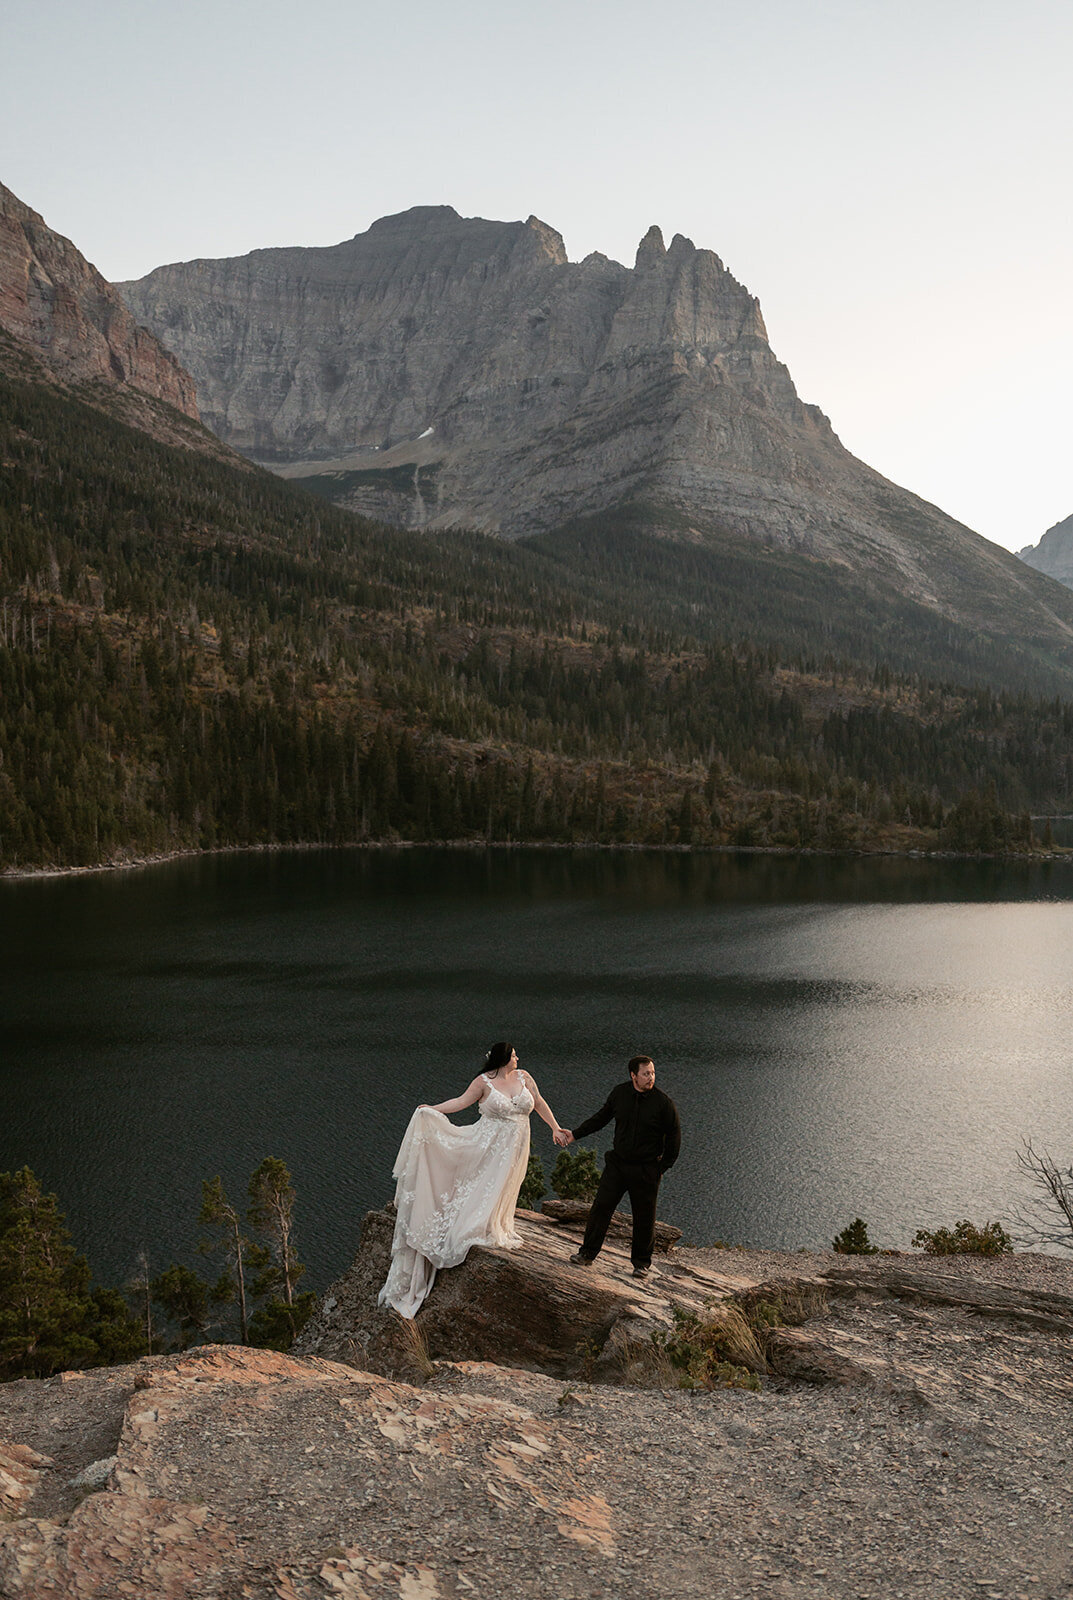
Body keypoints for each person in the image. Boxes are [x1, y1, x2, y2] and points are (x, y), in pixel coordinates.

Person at [379, 1042, 564, 1318]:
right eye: (513, 1055)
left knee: (505, 1188)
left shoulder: (524, 1077)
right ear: (503, 1059)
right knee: (482, 1188)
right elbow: (460, 1102)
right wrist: (433, 1109)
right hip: (486, 1147)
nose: (517, 1058)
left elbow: (538, 1102)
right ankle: (474, 1226)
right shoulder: (483, 1083)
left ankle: (496, 1223)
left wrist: (555, 1127)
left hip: (515, 1148)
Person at [554, 1055, 680, 1279]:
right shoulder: (620, 1094)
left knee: (644, 1217)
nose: (651, 1077)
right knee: (601, 1207)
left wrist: (661, 1169)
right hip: (618, 1164)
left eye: (652, 1073)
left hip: (646, 1169)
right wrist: (574, 1134)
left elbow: (674, 1138)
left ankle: (641, 1264)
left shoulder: (663, 1103)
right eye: (645, 1074)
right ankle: (587, 1254)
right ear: (633, 1075)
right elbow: (601, 1118)